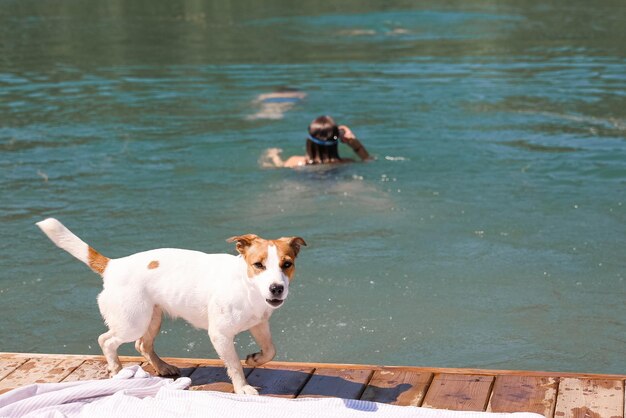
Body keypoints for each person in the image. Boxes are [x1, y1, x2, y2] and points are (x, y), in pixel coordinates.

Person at [262, 115, 371, 168]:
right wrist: (353, 142)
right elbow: (368, 160)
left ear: (309, 141)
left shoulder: (295, 162)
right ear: (336, 140)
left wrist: (273, 155)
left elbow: (280, 166)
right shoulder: (346, 163)